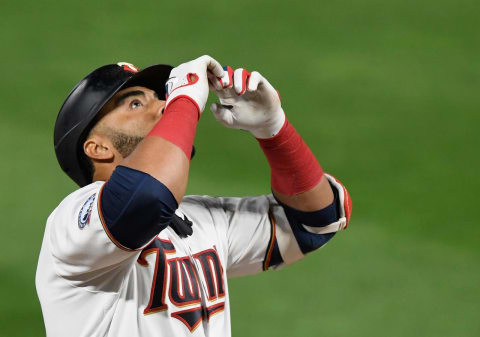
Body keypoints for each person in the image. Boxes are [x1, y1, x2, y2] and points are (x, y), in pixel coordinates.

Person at [36, 55, 352, 336]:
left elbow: (316, 222)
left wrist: (274, 129)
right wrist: (185, 102)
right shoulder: (72, 223)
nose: (164, 104)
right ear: (99, 148)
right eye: (135, 104)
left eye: (161, 97)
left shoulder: (199, 219)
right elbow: (147, 197)